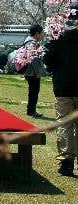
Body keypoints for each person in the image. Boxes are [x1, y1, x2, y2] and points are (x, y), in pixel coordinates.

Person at [43, 10, 78, 176]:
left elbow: (47, 59)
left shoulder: (57, 36)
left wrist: (54, 67)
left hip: (63, 86)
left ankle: (66, 161)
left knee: (65, 123)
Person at [19, 24, 46, 118]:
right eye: (42, 33)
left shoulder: (27, 40)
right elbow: (34, 60)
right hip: (32, 71)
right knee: (34, 91)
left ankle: (31, 110)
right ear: (37, 33)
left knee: (33, 91)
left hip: (28, 70)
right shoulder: (33, 43)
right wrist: (38, 72)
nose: (43, 35)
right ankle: (31, 111)